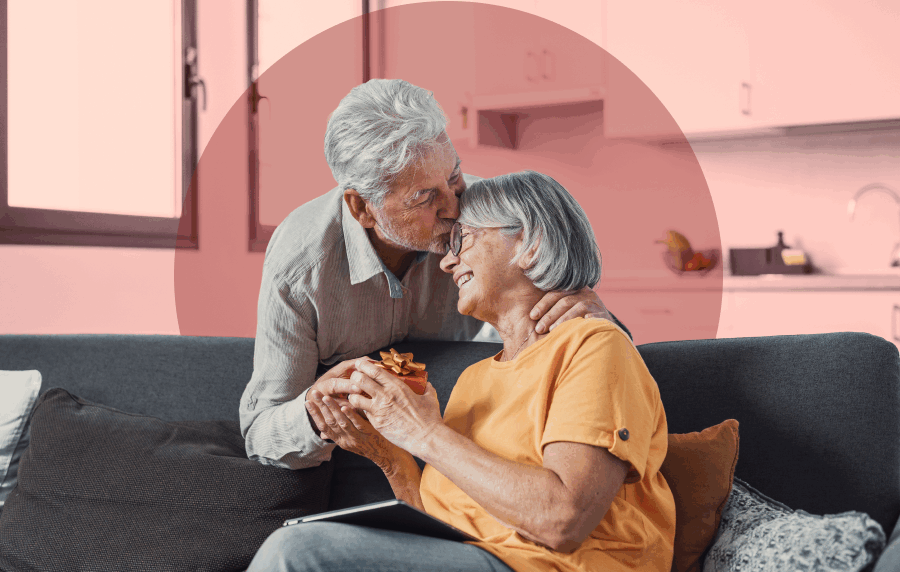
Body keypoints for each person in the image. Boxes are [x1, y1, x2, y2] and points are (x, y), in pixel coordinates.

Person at [248, 171, 675, 572]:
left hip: (553, 565)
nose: (447, 263)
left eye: (463, 240)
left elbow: (562, 520)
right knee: (302, 541)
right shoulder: (477, 378)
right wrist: (389, 452)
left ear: (532, 242)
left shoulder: (594, 346)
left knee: (300, 553)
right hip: (477, 558)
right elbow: (443, 528)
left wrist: (423, 432)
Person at [240, 79, 630, 469]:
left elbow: (593, 344)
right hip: (358, 445)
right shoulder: (300, 265)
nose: (454, 207)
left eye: (454, 176)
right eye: (424, 197)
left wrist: (590, 312)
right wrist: (313, 413)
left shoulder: (484, 222)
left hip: (457, 416)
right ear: (362, 208)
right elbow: (260, 430)